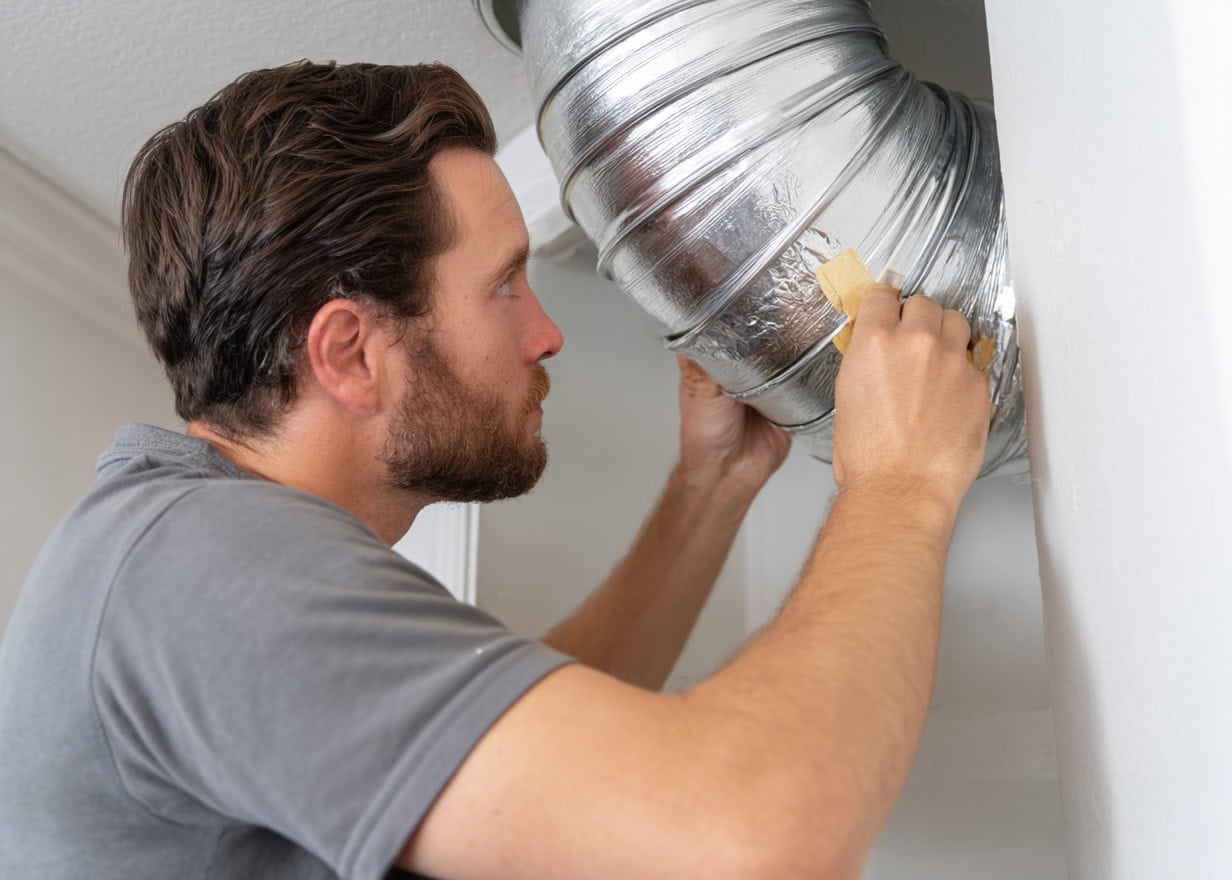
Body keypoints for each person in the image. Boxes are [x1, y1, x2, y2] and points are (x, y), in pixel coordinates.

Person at [0, 61, 992, 880]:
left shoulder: (174, 559)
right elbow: (746, 843)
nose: (547, 332)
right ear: (348, 353)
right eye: (503, 285)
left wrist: (711, 488)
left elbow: (526, 756)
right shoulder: (199, 565)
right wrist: (901, 485)